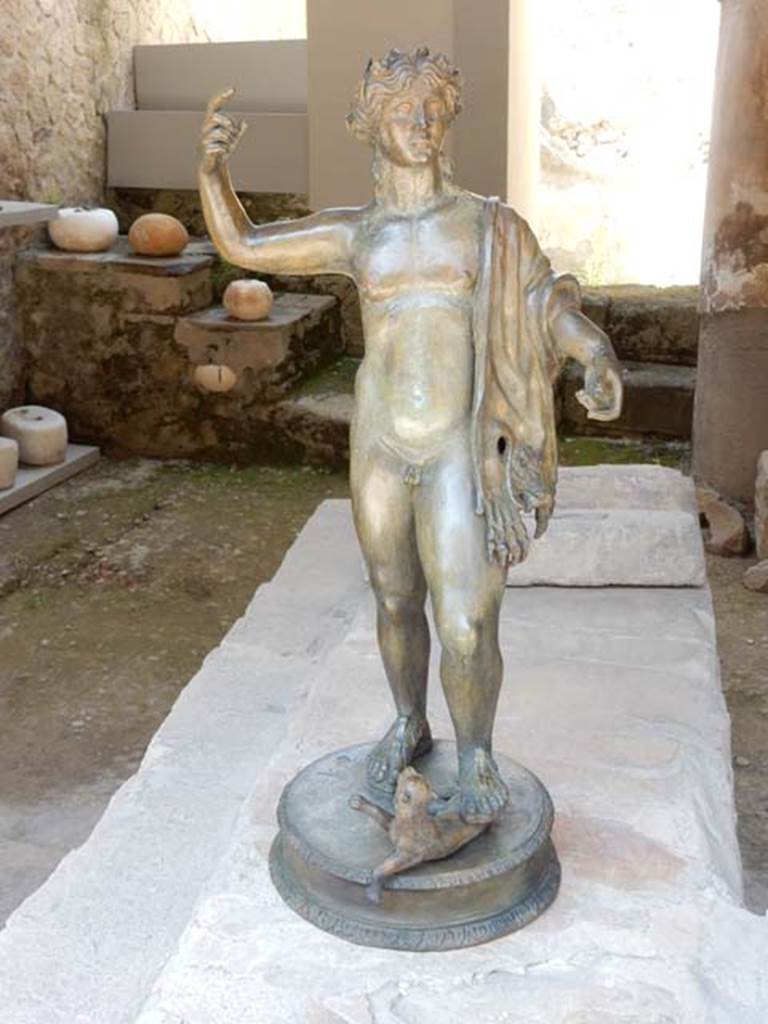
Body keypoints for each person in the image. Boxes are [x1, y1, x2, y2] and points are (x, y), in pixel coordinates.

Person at [198, 46, 622, 825]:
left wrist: (593, 350)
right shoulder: (357, 234)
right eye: (401, 111)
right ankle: (408, 721)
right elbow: (245, 247)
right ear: (370, 126)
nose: (420, 123)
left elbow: (544, 303)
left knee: (465, 620)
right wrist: (213, 173)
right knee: (395, 600)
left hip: (460, 446)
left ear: (448, 116)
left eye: (432, 109)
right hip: (382, 447)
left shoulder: (488, 226)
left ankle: (478, 754)